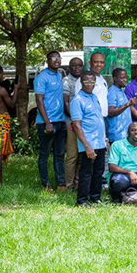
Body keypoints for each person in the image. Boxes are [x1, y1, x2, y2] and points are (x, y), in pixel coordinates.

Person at [70, 71, 107, 206]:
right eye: (86, 81)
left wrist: (104, 139)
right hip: (89, 143)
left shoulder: (94, 97)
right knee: (86, 172)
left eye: (92, 81)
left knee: (98, 171)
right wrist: (86, 145)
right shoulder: (77, 100)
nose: (89, 84)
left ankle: (95, 197)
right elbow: (77, 125)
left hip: (100, 142)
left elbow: (98, 120)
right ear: (81, 82)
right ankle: (82, 200)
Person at [35, 51, 67, 190]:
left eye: (58, 58)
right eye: (53, 58)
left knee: (59, 155)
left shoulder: (59, 75)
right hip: (46, 122)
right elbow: (39, 101)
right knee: (44, 154)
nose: (56, 60)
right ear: (47, 60)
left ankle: (61, 184)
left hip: (61, 121)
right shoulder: (41, 77)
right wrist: (47, 122)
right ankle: (45, 184)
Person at [62, 57, 84, 189]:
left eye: (79, 65)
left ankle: (77, 183)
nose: (77, 68)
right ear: (69, 67)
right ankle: (69, 184)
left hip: (83, 123)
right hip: (72, 122)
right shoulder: (66, 81)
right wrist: (75, 119)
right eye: (74, 65)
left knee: (82, 155)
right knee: (72, 154)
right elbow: (66, 102)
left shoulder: (84, 80)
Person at [73, 52, 109, 119]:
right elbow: (78, 103)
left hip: (103, 119)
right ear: (90, 63)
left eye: (101, 62)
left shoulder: (103, 80)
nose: (99, 64)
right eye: (96, 62)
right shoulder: (83, 79)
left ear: (104, 64)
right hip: (90, 120)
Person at [106, 68, 136, 144]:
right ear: (115, 79)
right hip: (117, 136)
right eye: (122, 78)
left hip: (125, 135)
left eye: (126, 77)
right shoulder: (112, 92)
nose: (125, 80)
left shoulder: (121, 91)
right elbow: (111, 112)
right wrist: (127, 105)